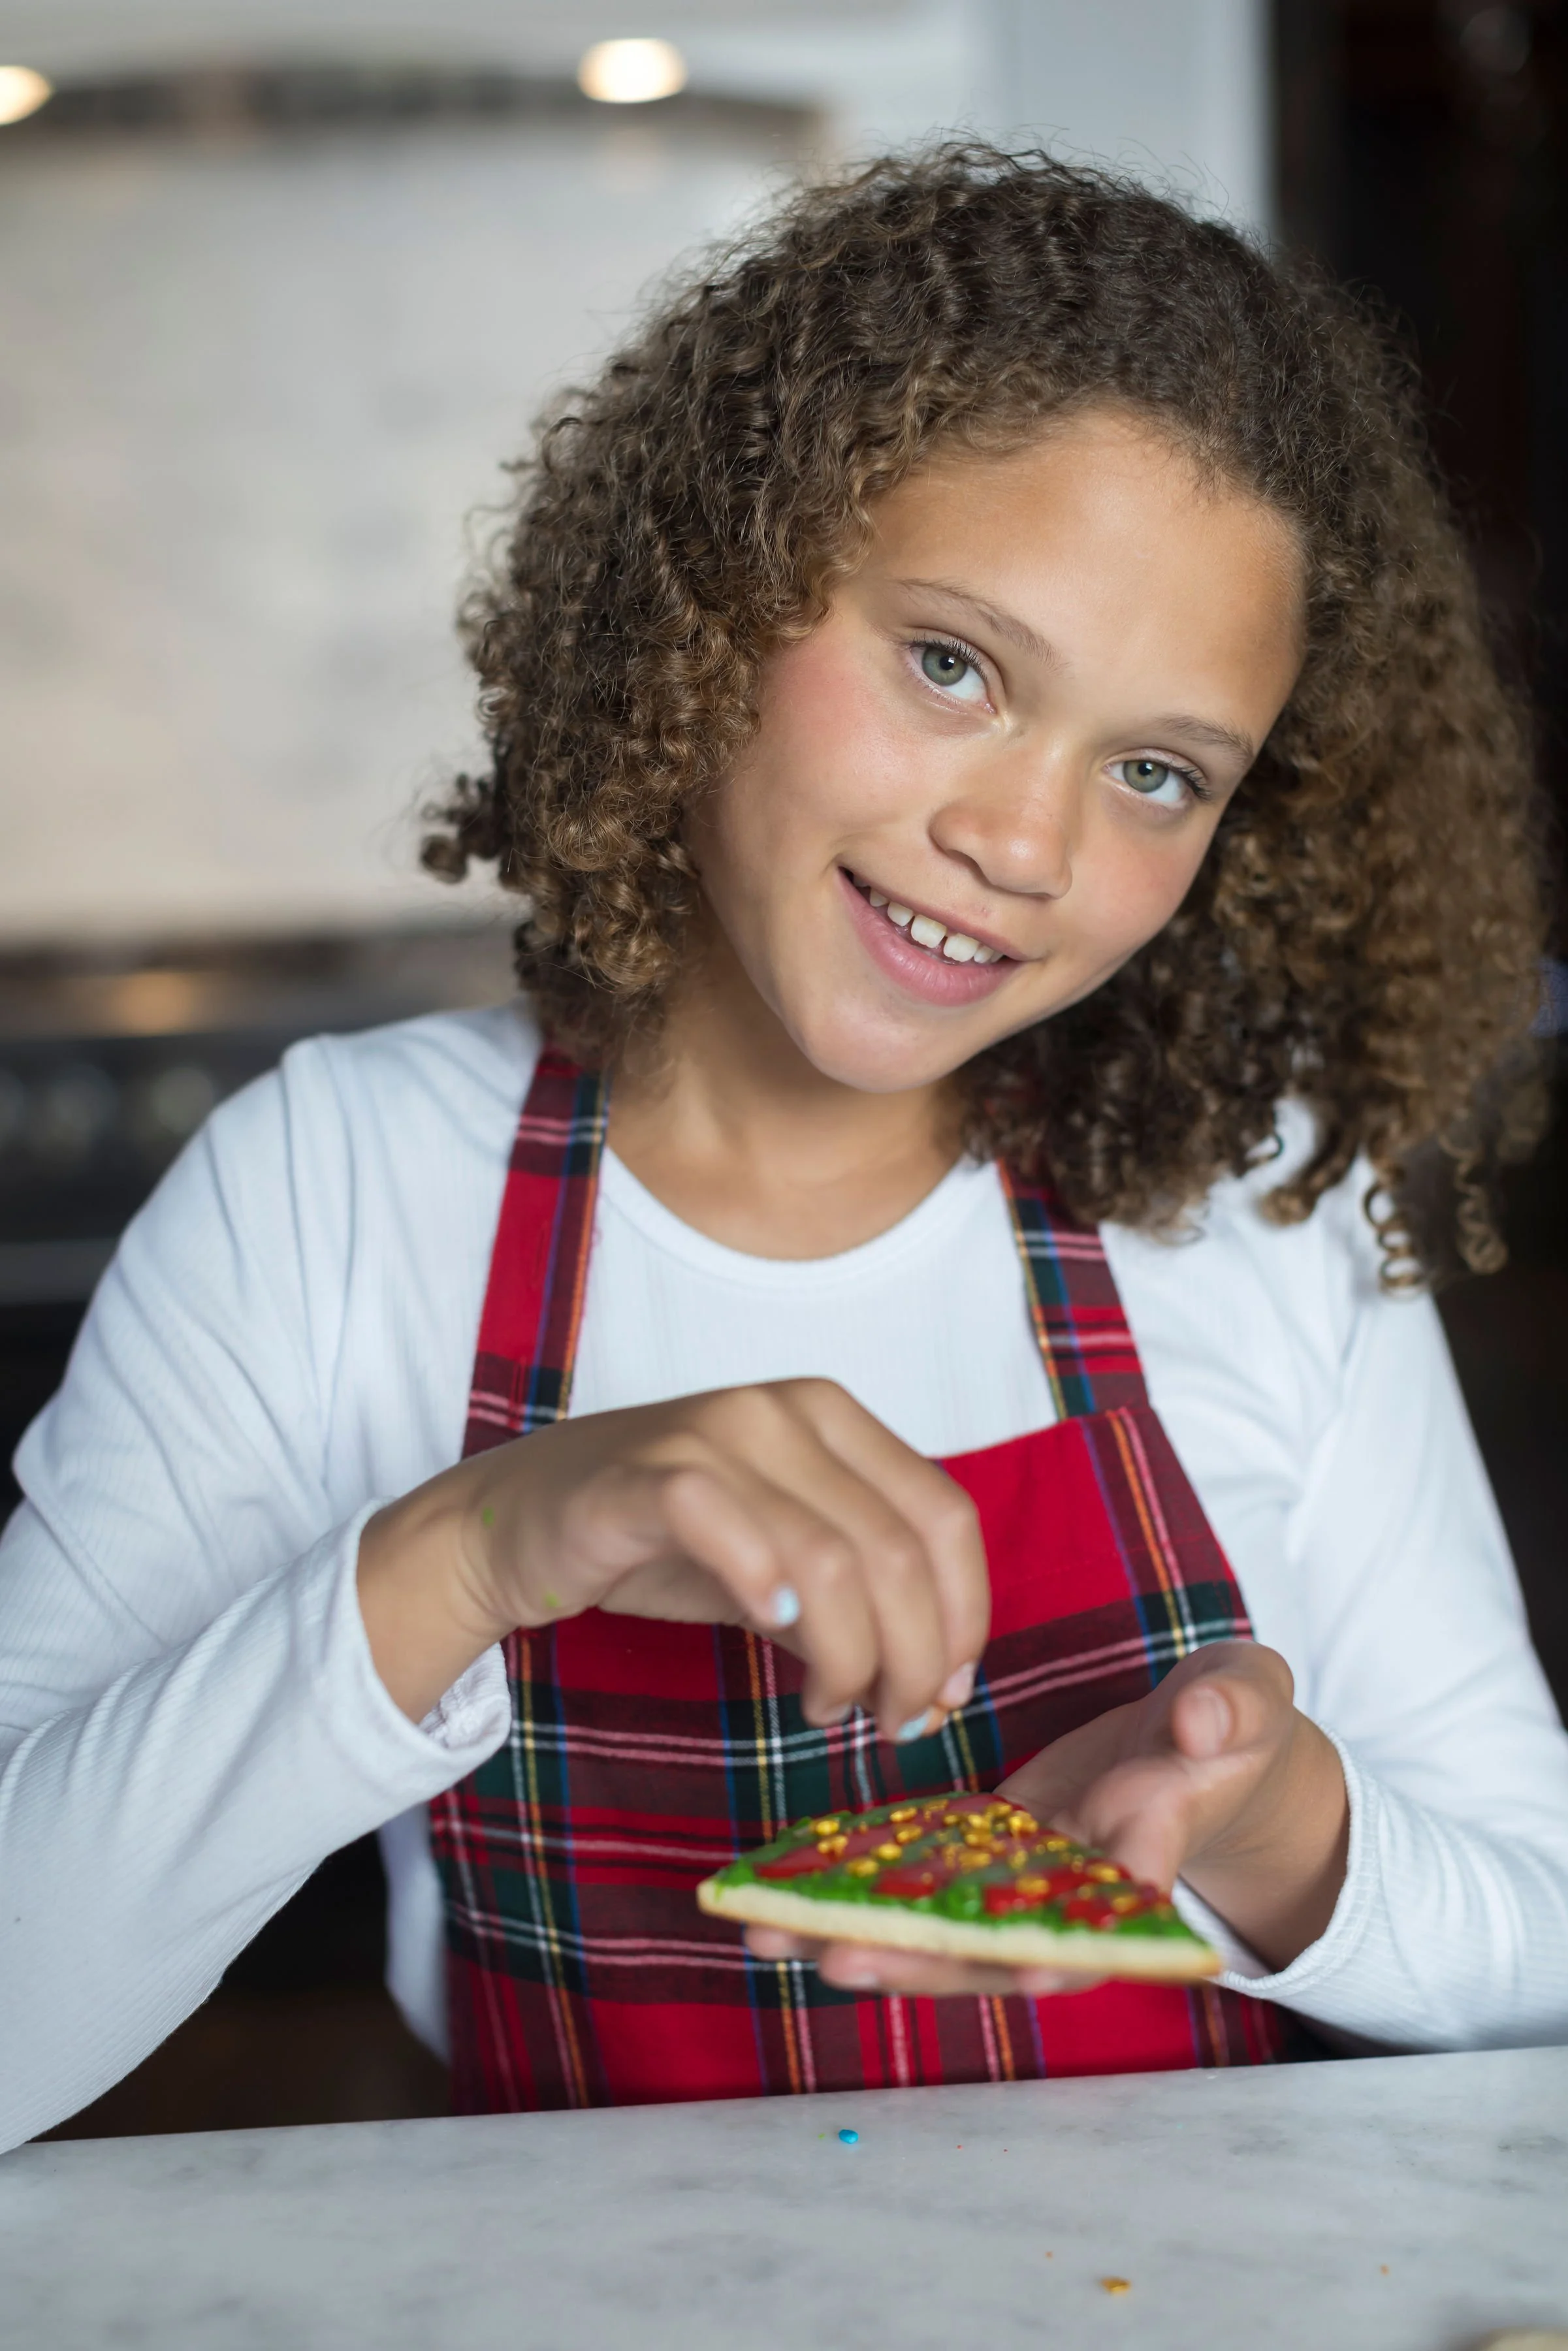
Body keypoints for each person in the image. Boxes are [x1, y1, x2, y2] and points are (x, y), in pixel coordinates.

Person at [3, 146, 1565, 2148]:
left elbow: (1544, 1960)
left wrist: (1281, 1832)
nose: (1024, 844)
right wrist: (474, 1549)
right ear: (717, 594)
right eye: (953, 665)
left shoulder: (1254, 1208)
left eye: (1157, 772)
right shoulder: (335, 1191)